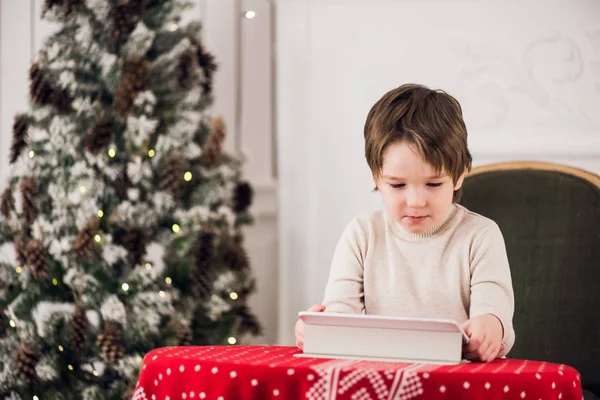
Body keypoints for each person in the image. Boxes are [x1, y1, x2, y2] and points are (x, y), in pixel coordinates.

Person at [294, 83, 515, 362]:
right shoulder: (362, 235)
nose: (416, 201)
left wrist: (490, 328)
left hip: (457, 381)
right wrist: (315, 330)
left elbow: (495, 315)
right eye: (397, 185)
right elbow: (340, 319)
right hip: (381, 381)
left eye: (433, 184)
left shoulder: (481, 236)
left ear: (459, 175)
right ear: (377, 177)